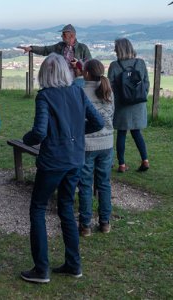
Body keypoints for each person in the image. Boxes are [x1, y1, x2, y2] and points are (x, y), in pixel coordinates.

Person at [20, 53, 104, 284]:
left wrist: (25, 140)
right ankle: (73, 264)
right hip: (75, 159)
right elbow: (97, 122)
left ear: (44, 74)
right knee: (66, 208)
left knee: (37, 208)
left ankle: (41, 269)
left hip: (53, 161)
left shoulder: (45, 96)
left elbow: (39, 132)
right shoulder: (77, 91)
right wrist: (74, 136)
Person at [77, 59, 114, 236]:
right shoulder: (108, 90)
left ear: (86, 73)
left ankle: (85, 225)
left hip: (87, 144)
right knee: (104, 183)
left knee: (85, 184)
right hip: (107, 143)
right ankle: (105, 222)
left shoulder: (81, 91)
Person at [107, 38, 150, 173]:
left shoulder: (114, 66)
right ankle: (145, 160)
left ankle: (122, 164)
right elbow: (146, 84)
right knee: (137, 132)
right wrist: (139, 97)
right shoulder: (141, 63)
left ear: (119, 50)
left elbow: (110, 87)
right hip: (138, 104)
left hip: (121, 104)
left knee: (121, 133)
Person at [19, 24, 92, 82]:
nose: (61, 36)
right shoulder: (59, 46)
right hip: (62, 79)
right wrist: (31, 48)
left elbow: (90, 65)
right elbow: (45, 50)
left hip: (77, 80)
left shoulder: (83, 48)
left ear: (72, 35)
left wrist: (78, 64)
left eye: (64, 34)